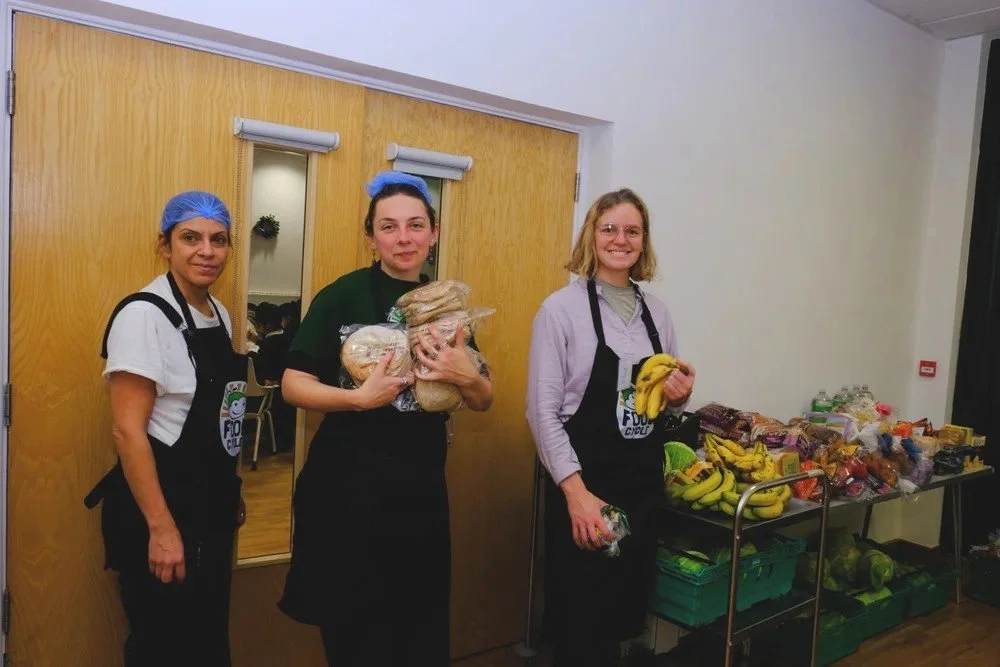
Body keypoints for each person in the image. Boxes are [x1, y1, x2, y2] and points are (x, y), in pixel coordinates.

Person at [278, 171, 494, 667]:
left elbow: (483, 400)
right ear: (371, 237)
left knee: (416, 634)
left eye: (416, 225)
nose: (404, 238)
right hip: (345, 495)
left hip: (418, 496)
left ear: (433, 234)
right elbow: (293, 384)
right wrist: (357, 399)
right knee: (355, 638)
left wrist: (469, 376)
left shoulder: (444, 307)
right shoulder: (343, 295)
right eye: (389, 226)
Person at [526, 188, 696, 666]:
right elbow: (541, 413)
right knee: (581, 615)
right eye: (609, 229)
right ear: (592, 235)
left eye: (632, 231)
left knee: (623, 610)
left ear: (643, 241)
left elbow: (662, 409)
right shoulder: (559, 309)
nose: (620, 240)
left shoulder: (657, 313)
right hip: (584, 483)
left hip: (639, 485)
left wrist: (678, 400)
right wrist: (577, 495)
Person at [84, 191, 248, 667]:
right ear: (165, 245)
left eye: (219, 240)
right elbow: (128, 433)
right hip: (160, 508)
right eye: (190, 238)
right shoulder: (143, 315)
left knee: (206, 638)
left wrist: (228, 489)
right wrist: (161, 531)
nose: (207, 251)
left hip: (207, 505)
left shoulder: (218, 314)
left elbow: (218, 414)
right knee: (164, 645)